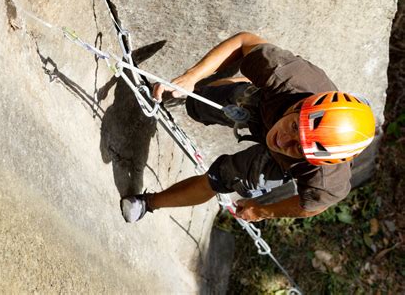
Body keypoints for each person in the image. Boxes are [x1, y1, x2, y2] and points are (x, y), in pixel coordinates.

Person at [120, 32, 375, 223]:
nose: (283, 140)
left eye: (300, 147)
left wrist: (263, 211)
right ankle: (244, 83)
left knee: (220, 177)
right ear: (302, 106)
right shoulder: (288, 78)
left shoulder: (325, 179)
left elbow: (311, 206)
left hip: (279, 163)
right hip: (267, 103)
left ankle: (148, 203)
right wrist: (192, 77)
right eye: (295, 127)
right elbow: (244, 41)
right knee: (199, 104)